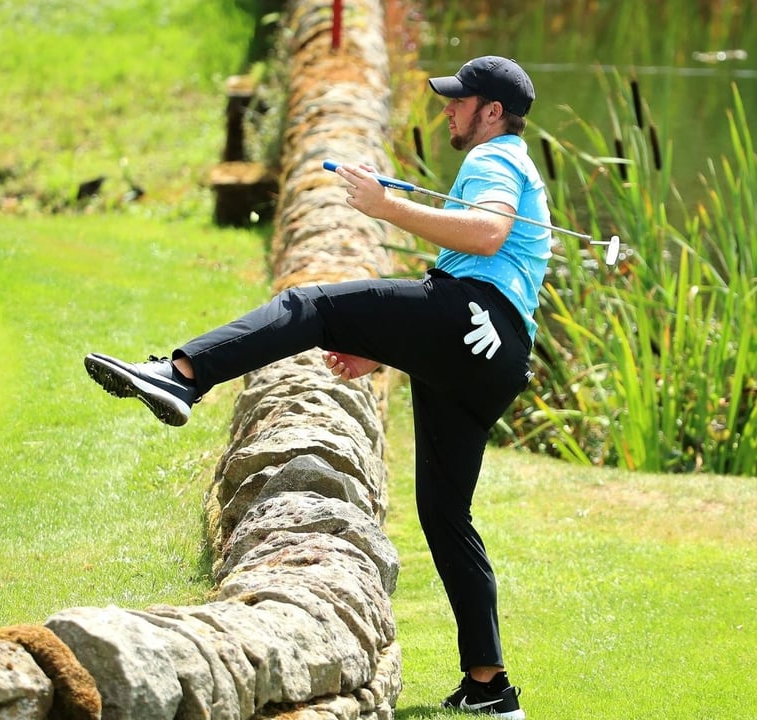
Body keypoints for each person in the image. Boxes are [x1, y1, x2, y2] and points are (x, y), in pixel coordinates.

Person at [85, 56, 550, 719]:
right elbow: (489, 269)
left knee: (313, 306)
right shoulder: (514, 161)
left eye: (460, 101)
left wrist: (386, 206)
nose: (448, 109)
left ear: (492, 111)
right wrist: (389, 351)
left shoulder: (495, 158)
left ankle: (182, 376)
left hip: (472, 316)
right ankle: (489, 687)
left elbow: (488, 232)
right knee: (446, 515)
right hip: (496, 355)